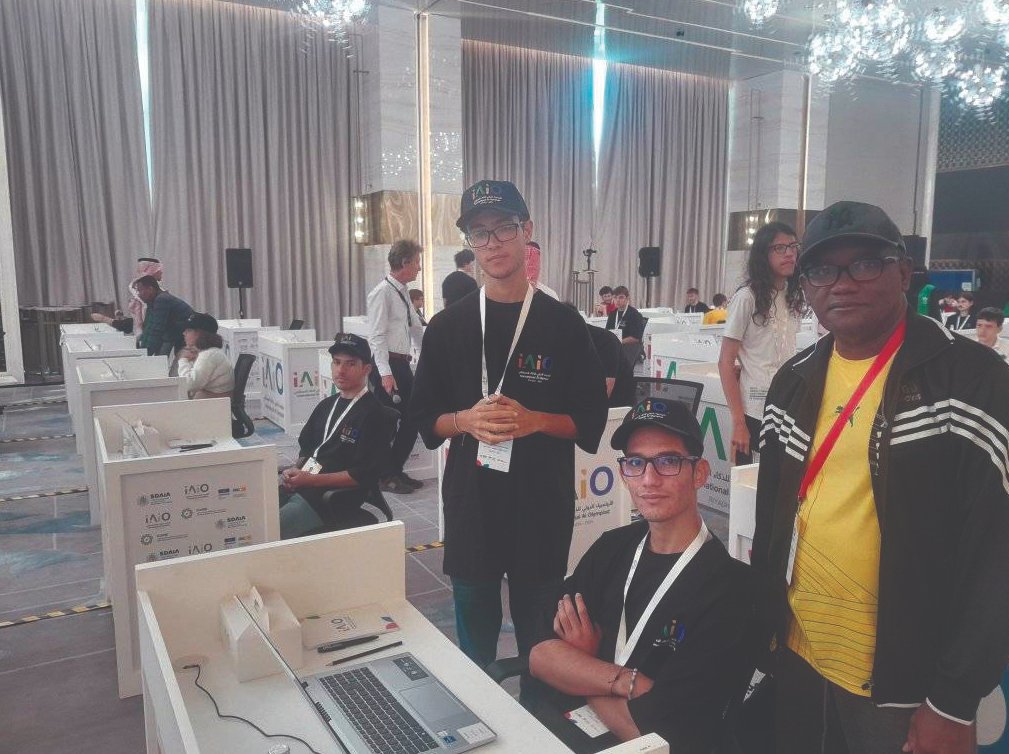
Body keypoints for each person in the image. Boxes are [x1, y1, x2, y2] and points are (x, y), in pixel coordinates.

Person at [752, 201, 1009, 754]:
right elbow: (773, 522)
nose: (842, 283)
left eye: (865, 263)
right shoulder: (793, 382)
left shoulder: (973, 382)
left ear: (904, 272)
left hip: (903, 686)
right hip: (799, 653)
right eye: (822, 270)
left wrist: (953, 701)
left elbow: (997, 557)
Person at [411, 179, 608, 671]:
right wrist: (464, 419)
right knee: (473, 642)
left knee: (540, 640)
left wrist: (534, 420)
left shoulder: (563, 323)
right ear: (470, 244)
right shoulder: (446, 326)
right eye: (480, 233)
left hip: (540, 504)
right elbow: (426, 420)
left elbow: (588, 421)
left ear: (528, 232)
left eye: (504, 228)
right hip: (471, 503)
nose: (493, 243)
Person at [528, 398, 753, 753]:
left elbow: (655, 732)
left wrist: (583, 668)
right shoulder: (611, 548)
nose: (649, 480)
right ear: (623, 473)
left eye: (667, 462)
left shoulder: (730, 589)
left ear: (699, 473)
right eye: (636, 463)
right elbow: (540, 654)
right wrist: (623, 682)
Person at [278, 334, 397, 539]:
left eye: (350, 364)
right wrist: (296, 470)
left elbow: (361, 475)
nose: (341, 370)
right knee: (256, 516)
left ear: (366, 369)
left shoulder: (375, 415)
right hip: (305, 486)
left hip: (331, 499)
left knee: (270, 531)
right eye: (336, 362)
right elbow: (308, 448)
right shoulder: (327, 405)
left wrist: (310, 480)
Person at [718, 222, 803, 465]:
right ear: (763, 255)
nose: (789, 253)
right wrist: (739, 423)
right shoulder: (747, 298)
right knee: (751, 490)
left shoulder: (794, 295)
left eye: (793, 246)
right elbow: (725, 362)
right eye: (780, 248)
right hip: (754, 410)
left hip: (788, 407)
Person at [366, 239, 425, 495]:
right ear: (404, 263)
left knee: (413, 419)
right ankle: (385, 476)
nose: (419, 268)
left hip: (401, 364)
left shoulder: (402, 291)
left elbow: (415, 327)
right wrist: (385, 374)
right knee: (387, 424)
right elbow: (376, 336)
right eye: (416, 262)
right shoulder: (382, 292)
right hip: (388, 365)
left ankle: (394, 470)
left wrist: (427, 354)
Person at [563, 302, 635, 408]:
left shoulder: (605, 340)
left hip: (616, 402)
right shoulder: (567, 338)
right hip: (585, 392)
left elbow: (607, 388)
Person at [176, 313, 234, 399]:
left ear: (200, 334)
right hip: (213, 404)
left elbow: (188, 384)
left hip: (212, 406)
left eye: (189, 330)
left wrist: (183, 359)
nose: (184, 333)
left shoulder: (209, 355)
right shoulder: (211, 353)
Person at [134, 276, 194, 357]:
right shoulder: (152, 301)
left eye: (140, 290)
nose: (138, 294)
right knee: (160, 355)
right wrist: (142, 351)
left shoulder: (161, 300)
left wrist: (144, 355)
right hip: (176, 333)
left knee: (163, 359)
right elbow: (148, 326)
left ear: (150, 289)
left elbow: (156, 329)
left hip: (189, 334)